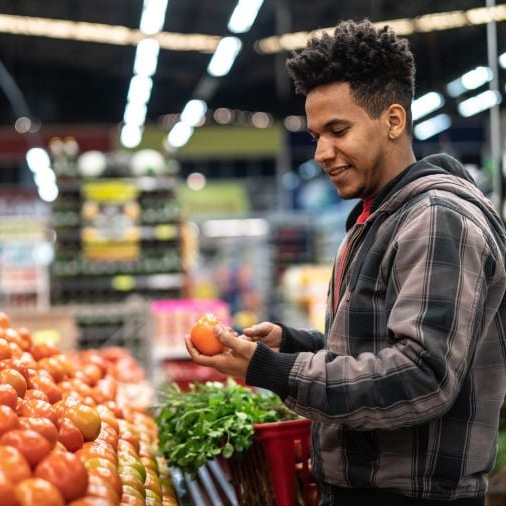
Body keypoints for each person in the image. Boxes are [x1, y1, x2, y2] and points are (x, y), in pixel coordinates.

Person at [185, 18, 506, 505]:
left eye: (338, 130)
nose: (321, 152)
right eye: (315, 135)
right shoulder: (380, 217)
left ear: (394, 121)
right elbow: (381, 344)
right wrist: (294, 343)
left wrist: (276, 371)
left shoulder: (437, 220)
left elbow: (421, 376)